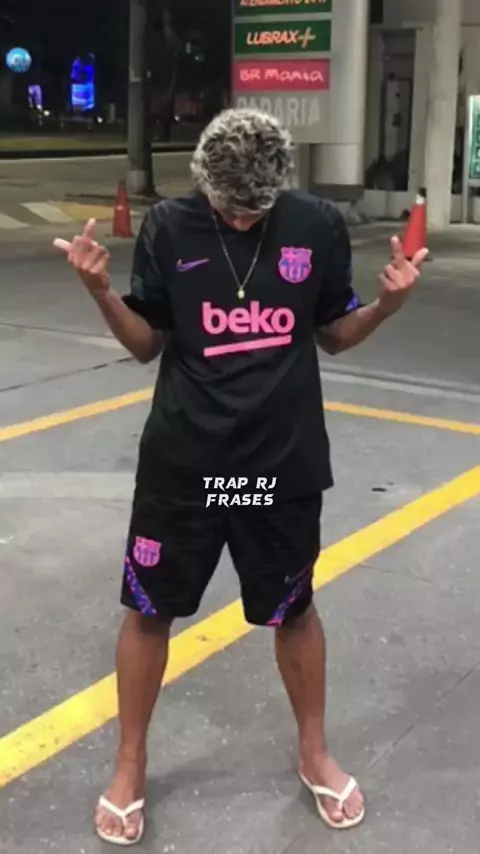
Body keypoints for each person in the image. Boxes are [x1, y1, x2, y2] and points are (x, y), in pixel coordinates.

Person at [54, 108, 428, 846]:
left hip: (279, 464)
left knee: (295, 610)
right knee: (148, 610)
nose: (244, 222)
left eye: (257, 213)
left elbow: (334, 333)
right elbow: (146, 344)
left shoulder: (316, 224)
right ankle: (130, 764)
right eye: (231, 211)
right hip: (185, 466)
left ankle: (314, 753)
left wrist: (387, 306)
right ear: (206, 187)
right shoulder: (170, 227)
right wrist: (101, 292)